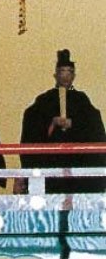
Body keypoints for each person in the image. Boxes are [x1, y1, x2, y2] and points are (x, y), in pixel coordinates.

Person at [20, 49, 106, 193]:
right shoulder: (44, 100)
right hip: (51, 163)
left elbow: (94, 129)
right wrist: (52, 124)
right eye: (62, 71)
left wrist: (74, 124)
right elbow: (32, 128)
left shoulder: (81, 100)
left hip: (79, 163)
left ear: (74, 76)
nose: (66, 76)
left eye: (69, 72)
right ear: (55, 75)